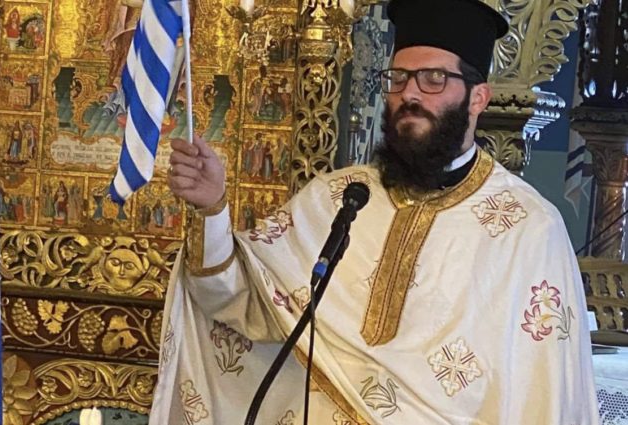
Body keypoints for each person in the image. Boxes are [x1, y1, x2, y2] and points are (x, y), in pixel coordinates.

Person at [152, 0, 599, 423]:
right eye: (399, 78)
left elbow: (546, 395)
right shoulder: (337, 198)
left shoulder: (528, 229)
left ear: (478, 97)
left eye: (433, 79)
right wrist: (212, 208)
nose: (410, 94)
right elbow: (238, 300)